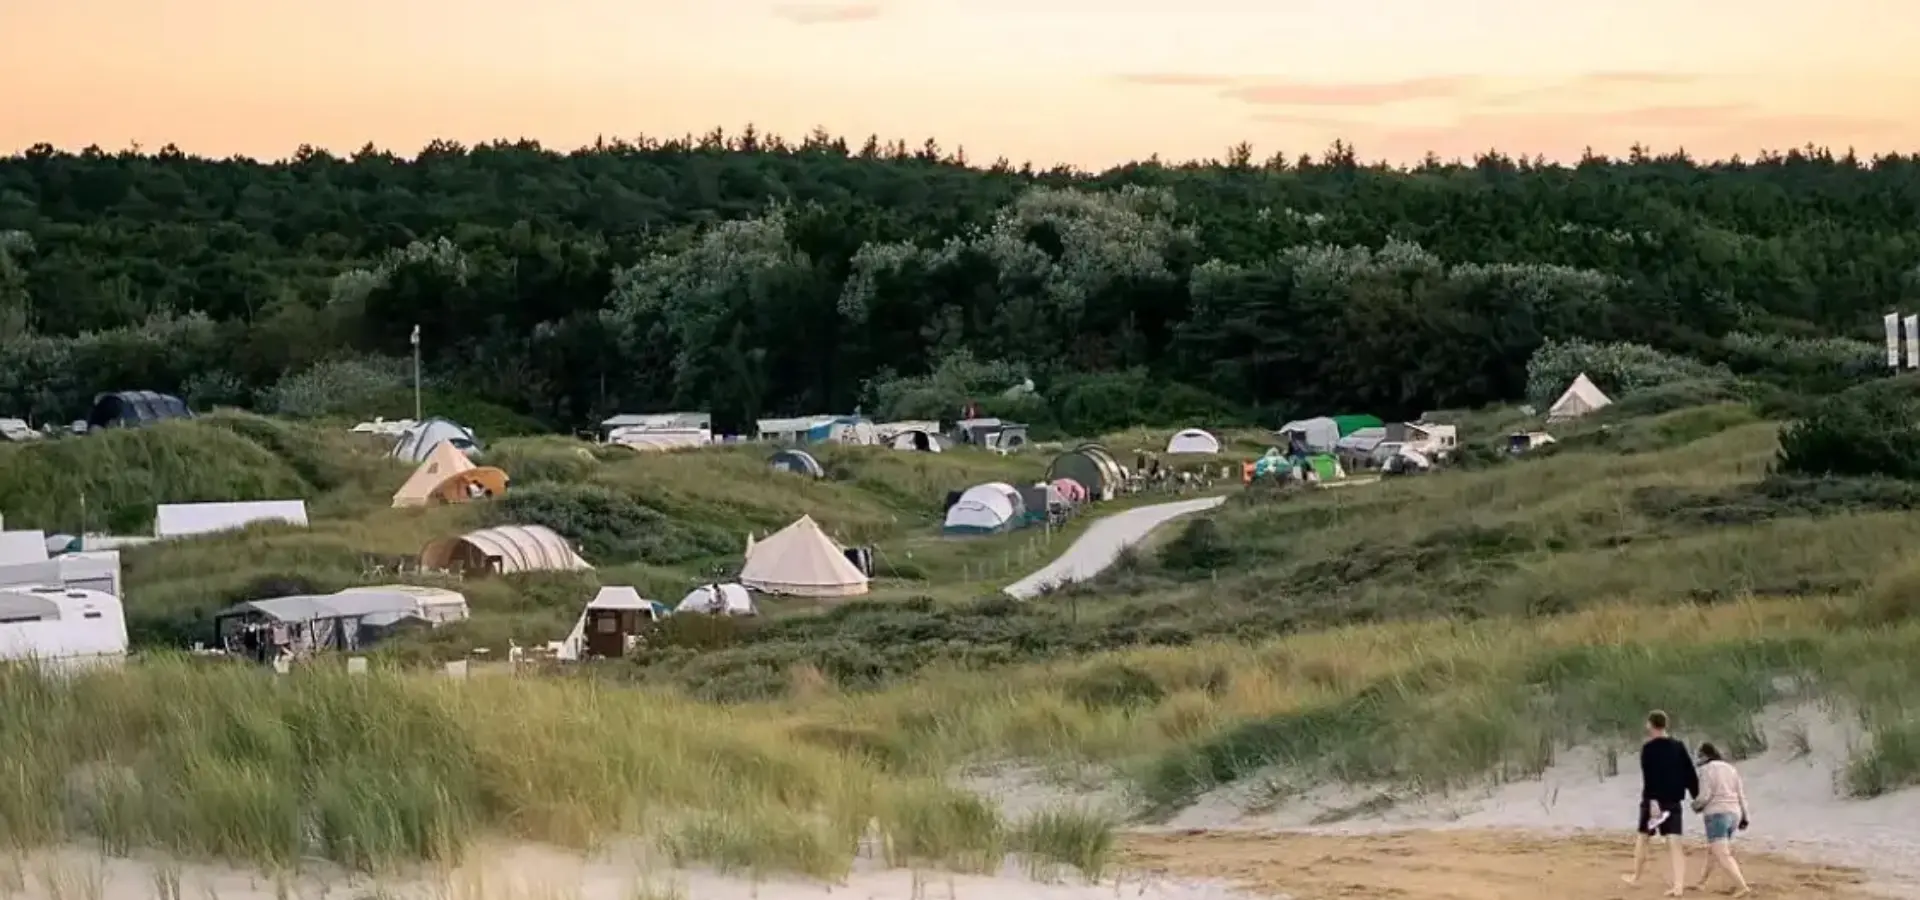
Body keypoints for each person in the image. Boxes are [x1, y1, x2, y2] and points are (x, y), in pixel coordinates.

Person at [1624, 710, 1698, 897]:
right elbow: (1690, 774)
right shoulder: (1678, 747)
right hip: (1673, 801)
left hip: (1653, 803)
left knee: (1643, 838)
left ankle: (1636, 876)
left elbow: (1649, 778)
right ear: (1665, 724)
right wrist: (1697, 797)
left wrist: (1653, 801)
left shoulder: (1648, 749)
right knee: (1675, 843)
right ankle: (1679, 886)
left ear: (1650, 725)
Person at [1691, 742, 1753, 896]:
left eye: (1699, 756)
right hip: (1734, 814)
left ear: (1705, 756)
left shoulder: (1706, 770)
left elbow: (1705, 795)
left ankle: (1742, 886)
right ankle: (1701, 882)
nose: (1698, 759)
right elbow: (1741, 794)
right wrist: (1746, 816)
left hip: (1717, 814)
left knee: (1722, 854)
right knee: (1714, 850)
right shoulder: (1731, 769)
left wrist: (1696, 805)